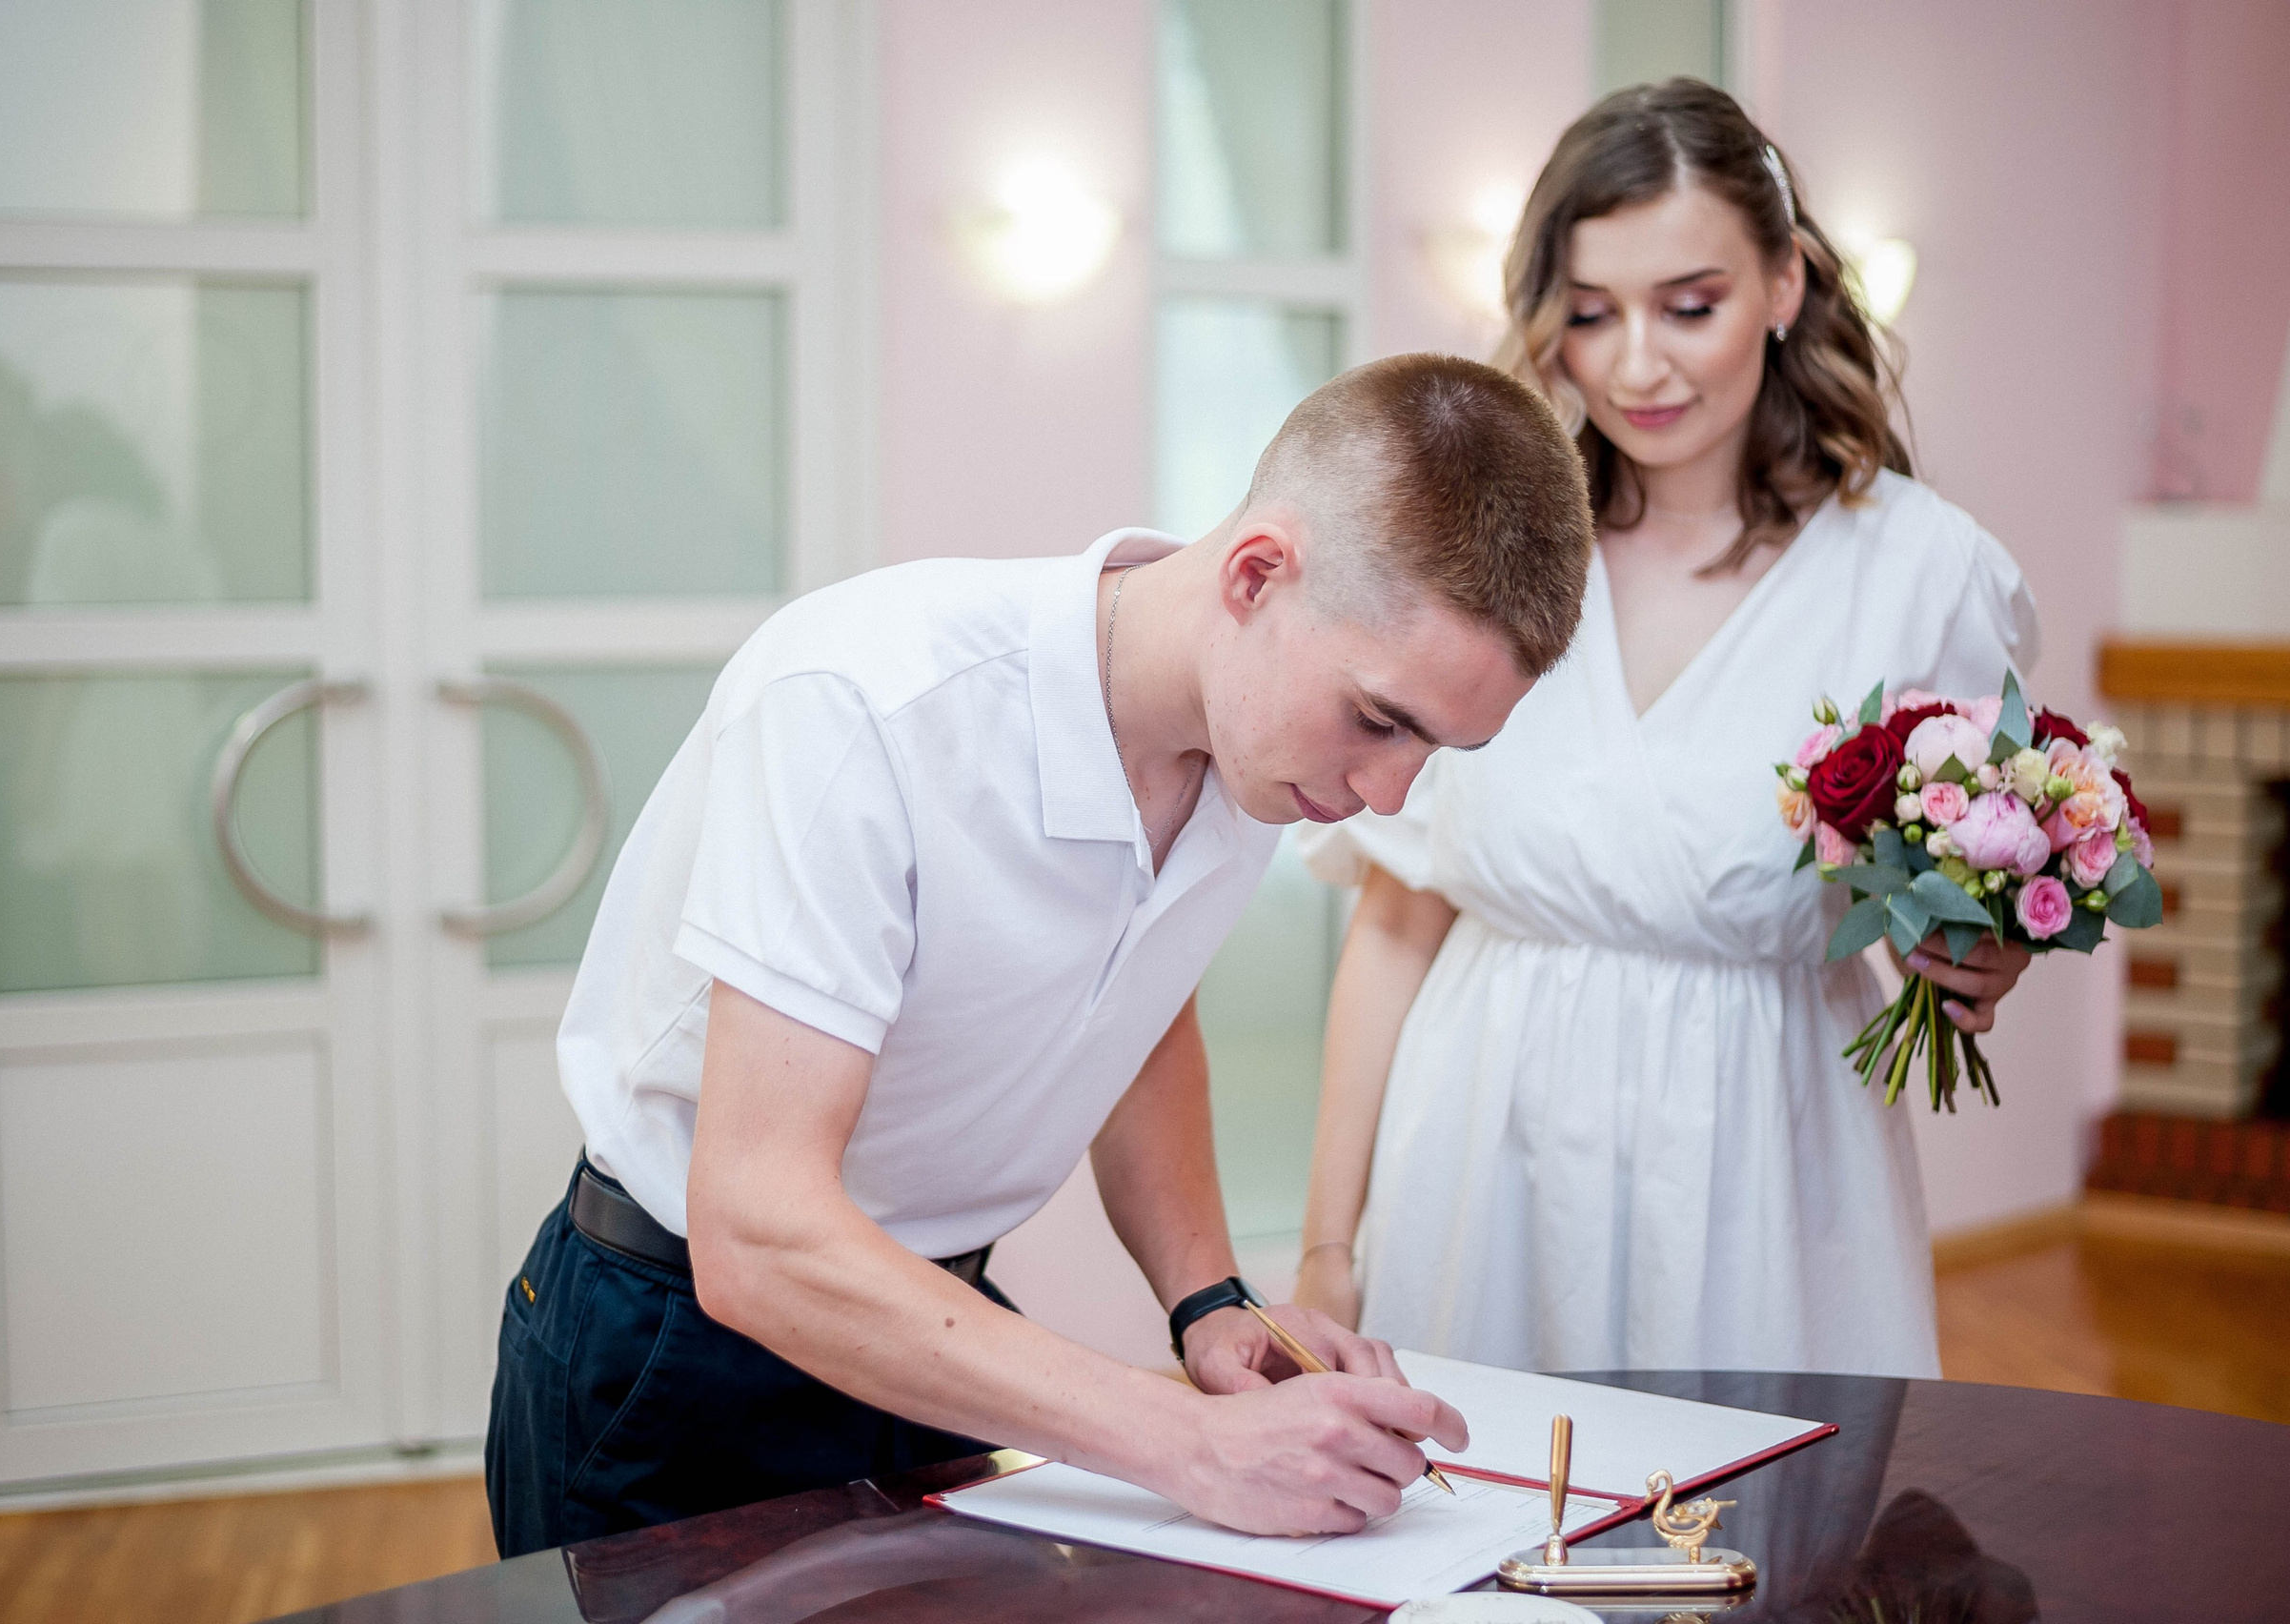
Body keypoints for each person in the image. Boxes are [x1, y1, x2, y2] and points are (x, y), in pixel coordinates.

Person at [486, 354, 1597, 1554]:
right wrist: (1184, 1441)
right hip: (676, 1351)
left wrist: (1210, 1304)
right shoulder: (863, 702)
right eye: (1380, 721)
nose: (1386, 793)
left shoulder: (1260, 754)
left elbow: (1137, 1010)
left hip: (940, 1332)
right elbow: (756, 1236)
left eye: (1437, 749)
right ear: (1256, 573)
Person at [1291, 81, 2037, 1380]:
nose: (1637, 363)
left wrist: (1984, 947)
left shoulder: (1922, 575)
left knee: (1756, 1544)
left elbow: (1965, 879)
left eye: (1689, 306)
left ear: (1786, 283)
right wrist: (1326, 1249)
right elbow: (1399, 919)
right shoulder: (1488, 552)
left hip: (1765, 1169)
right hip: (1482, 1158)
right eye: (1590, 314)